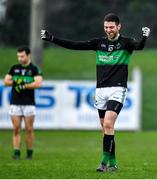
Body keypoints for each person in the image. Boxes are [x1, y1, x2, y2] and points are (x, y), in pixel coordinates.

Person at [41, 13, 150, 172]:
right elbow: (75, 45)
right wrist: (52, 39)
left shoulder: (126, 43)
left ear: (119, 26)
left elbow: (139, 46)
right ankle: (113, 163)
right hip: (101, 90)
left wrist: (145, 36)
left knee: (108, 124)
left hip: (118, 89)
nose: (108, 30)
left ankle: (103, 163)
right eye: (106, 27)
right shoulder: (99, 43)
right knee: (106, 129)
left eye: (111, 27)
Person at [4, 46, 43, 160]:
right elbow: (6, 81)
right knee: (16, 128)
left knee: (29, 129)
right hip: (15, 103)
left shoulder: (34, 69)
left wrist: (23, 85)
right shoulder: (14, 68)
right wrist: (18, 81)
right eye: (18, 56)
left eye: (22, 56)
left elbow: (38, 83)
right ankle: (16, 152)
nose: (20, 59)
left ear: (28, 55)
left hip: (29, 103)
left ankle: (29, 153)